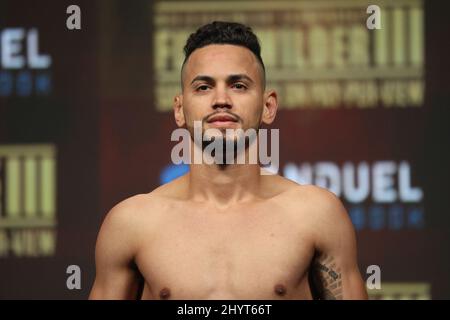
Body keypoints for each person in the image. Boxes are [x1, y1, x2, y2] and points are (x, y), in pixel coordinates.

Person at [89, 21, 368, 300]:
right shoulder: (131, 224)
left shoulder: (316, 216)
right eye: (203, 87)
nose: (221, 99)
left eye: (238, 85)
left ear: (268, 106)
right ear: (179, 109)